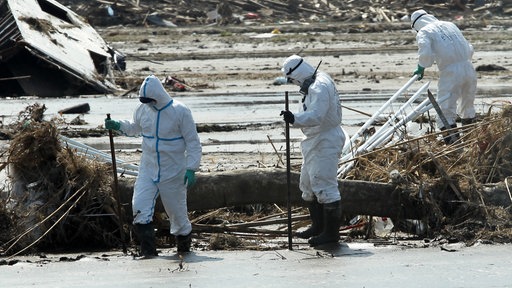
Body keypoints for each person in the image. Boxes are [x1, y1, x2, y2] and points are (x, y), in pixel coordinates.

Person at [105, 75, 202, 256]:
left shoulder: (180, 111)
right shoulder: (143, 109)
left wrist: (191, 168)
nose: (148, 104)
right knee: (139, 207)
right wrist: (118, 125)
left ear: (158, 97)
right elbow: (135, 127)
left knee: (178, 215)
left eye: (150, 101)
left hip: (173, 171)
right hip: (148, 169)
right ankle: (148, 253)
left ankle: (183, 251)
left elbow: (193, 142)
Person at [280, 55, 345, 246]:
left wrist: (295, 119)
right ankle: (318, 226)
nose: (293, 84)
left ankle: (331, 234)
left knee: (325, 186)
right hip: (313, 139)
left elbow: (317, 115)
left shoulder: (320, 86)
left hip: (325, 140)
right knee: (308, 186)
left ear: (297, 74)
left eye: (292, 80)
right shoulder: (315, 80)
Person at [411, 9, 477, 144]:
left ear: (416, 26)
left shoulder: (424, 31)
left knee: (445, 111)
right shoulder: (450, 25)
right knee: (468, 107)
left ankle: (454, 147)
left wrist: (422, 66)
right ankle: (472, 144)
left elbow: (425, 53)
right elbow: (469, 48)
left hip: (451, 73)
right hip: (469, 68)